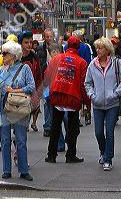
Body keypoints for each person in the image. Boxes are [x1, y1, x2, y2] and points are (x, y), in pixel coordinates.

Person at [44, 36, 90, 164]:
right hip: (73, 97)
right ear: (78, 47)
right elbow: (83, 84)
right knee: (73, 128)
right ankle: (71, 155)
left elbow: (47, 76)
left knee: (55, 127)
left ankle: (51, 155)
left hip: (58, 95)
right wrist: (87, 103)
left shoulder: (57, 59)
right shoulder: (81, 62)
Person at [0, 41, 35, 181]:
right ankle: (6, 170)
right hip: (5, 107)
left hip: (19, 107)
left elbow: (31, 87)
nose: (2, 56)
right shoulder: (2, 69)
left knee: (21, 139)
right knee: (5, 140)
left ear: (13, 55)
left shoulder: (25, 69)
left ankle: (24, 170)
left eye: (5, 53)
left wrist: (15, 90)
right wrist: (3, 73)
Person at [85, 38, 121, 171]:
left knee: (109, 132)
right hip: (97, 104)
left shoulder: (118, 63)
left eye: (101, 48)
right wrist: (92, 95)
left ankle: (108, 159)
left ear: (108, 49)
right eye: (97, 48)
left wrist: (115, 94)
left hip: (112, 103)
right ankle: (103, 152)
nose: (98, 50)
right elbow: (88, 83)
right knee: (98, 133)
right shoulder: (92, 64)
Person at [18, 30, 42, 132]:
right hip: (17, 92)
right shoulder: (16, 57)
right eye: (26, 42)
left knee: (34, 109)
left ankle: (31, 123)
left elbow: (38, 74)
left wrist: (38, 90)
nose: (29, 45)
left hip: (31, 90)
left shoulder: (34, 57)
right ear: (21, 43)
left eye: (30, 42)